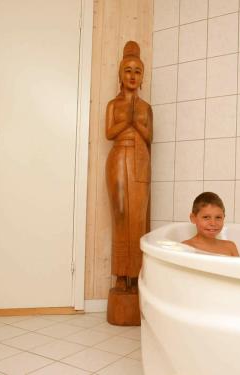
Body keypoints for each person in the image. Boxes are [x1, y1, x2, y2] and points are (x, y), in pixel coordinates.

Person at [105, 41, 152, 291]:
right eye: (128, 70)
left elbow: (149, 137)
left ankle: (135, 275)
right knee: (121, 215)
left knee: (138, 217)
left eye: (137, 71)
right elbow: (109, 133)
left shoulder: (146, 108)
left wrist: (137, 120)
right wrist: (128, 121)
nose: (132, 75)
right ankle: (120, 275)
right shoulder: (114, 104)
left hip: (140, 159)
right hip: (119, 157)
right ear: (120, 75)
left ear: (142, 77)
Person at [182, 192, 239, 256]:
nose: (213, 223)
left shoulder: (230, 247)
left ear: (223, 218)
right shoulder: (185, 247)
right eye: (206, 217)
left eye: (218, 217)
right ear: (193, 218)